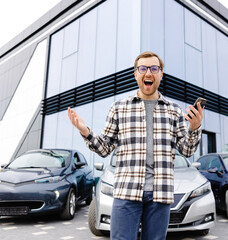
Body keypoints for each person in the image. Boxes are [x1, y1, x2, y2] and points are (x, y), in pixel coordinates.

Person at [67, 51, 204, 240]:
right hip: (126, 191)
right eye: (143, 68)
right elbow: (105, 148)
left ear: (161, 74)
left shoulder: (174, 110)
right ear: (135, 74)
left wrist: (194, 128)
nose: (148, 73)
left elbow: (187, 150)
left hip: (160, 193)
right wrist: (85, 131)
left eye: (154, 68)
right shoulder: (119, 107)